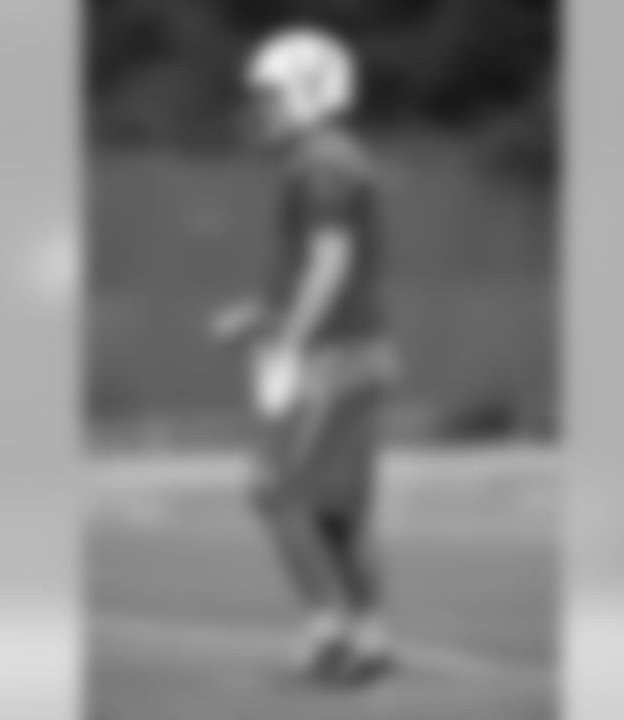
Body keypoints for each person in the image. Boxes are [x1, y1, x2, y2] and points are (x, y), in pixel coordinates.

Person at [210, 25, 399, 686]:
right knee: (336, 511)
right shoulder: (329, 157)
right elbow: (322, 269)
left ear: (309, 91)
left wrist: (289, 342)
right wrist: (262, 316)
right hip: (352, 351)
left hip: (333, 358)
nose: (260, 108)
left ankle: (330, 628)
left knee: (273, 488)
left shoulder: (321, 162)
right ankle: (368, 636)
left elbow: (331, 263)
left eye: (271, 94)